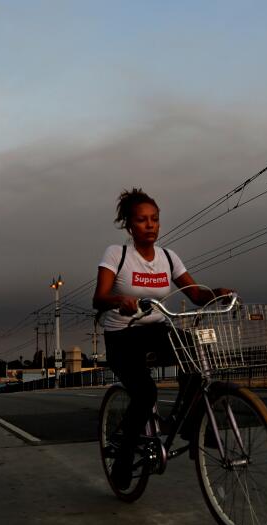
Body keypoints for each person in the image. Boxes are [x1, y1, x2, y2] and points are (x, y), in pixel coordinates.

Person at [93, 188, 232, 489]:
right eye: (142, 220)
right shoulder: (116, 254)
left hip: (156, 329)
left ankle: (191, 424)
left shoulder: (168, 258)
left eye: (154, 219)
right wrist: (120, 300)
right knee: (145, 394)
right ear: (129, 226)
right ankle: (124, 458)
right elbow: (99, 297)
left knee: (194, 352)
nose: (150, 225)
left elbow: (195, 294)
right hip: (122, 334)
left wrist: (216, 294)